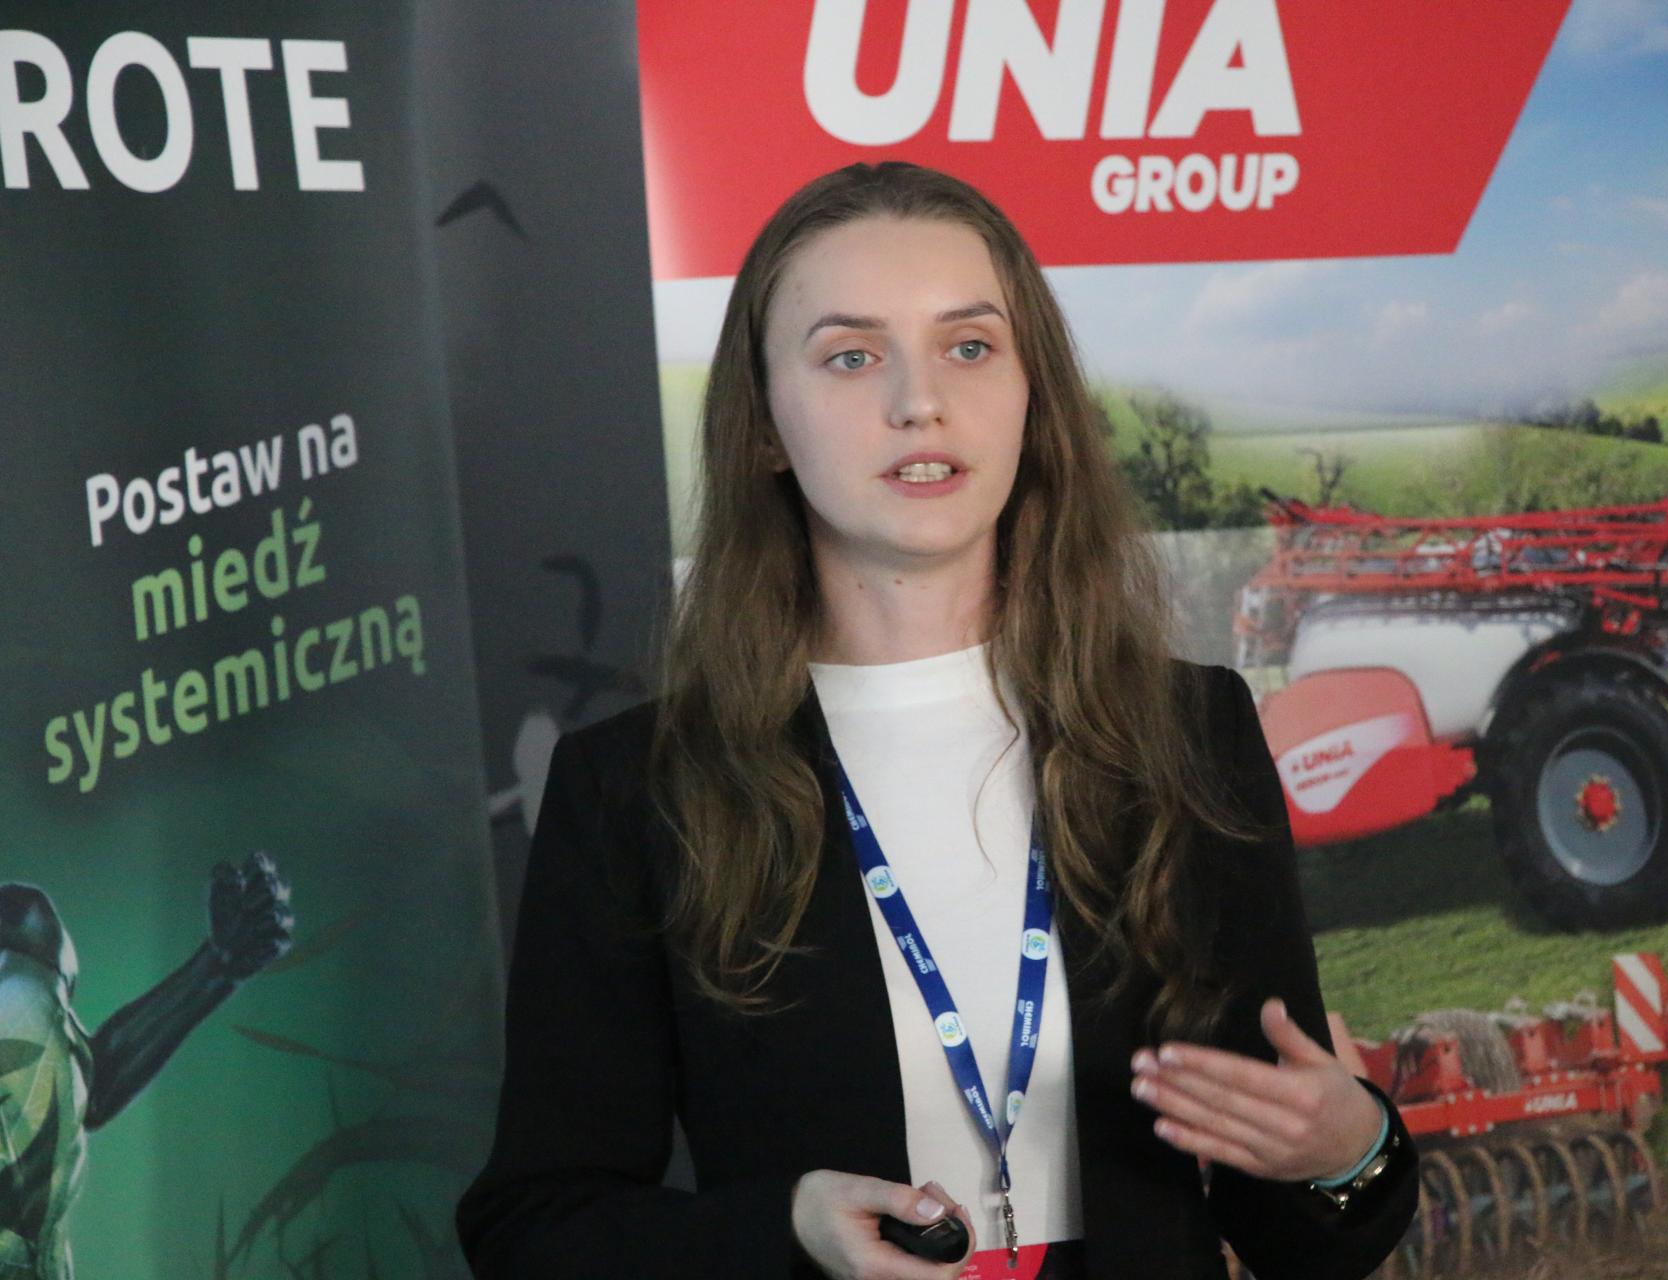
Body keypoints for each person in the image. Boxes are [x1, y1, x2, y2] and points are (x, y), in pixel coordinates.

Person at [455, 161, 1416, 1280]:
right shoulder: (636, 789)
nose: (921, 401)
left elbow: (1301, 1240)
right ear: (764, 426)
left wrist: (1349, 1148)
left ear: (1030, 397)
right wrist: (787, 1229)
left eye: (969, 346)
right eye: (852, 356)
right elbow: (536, 1228)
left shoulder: (1189, 734)